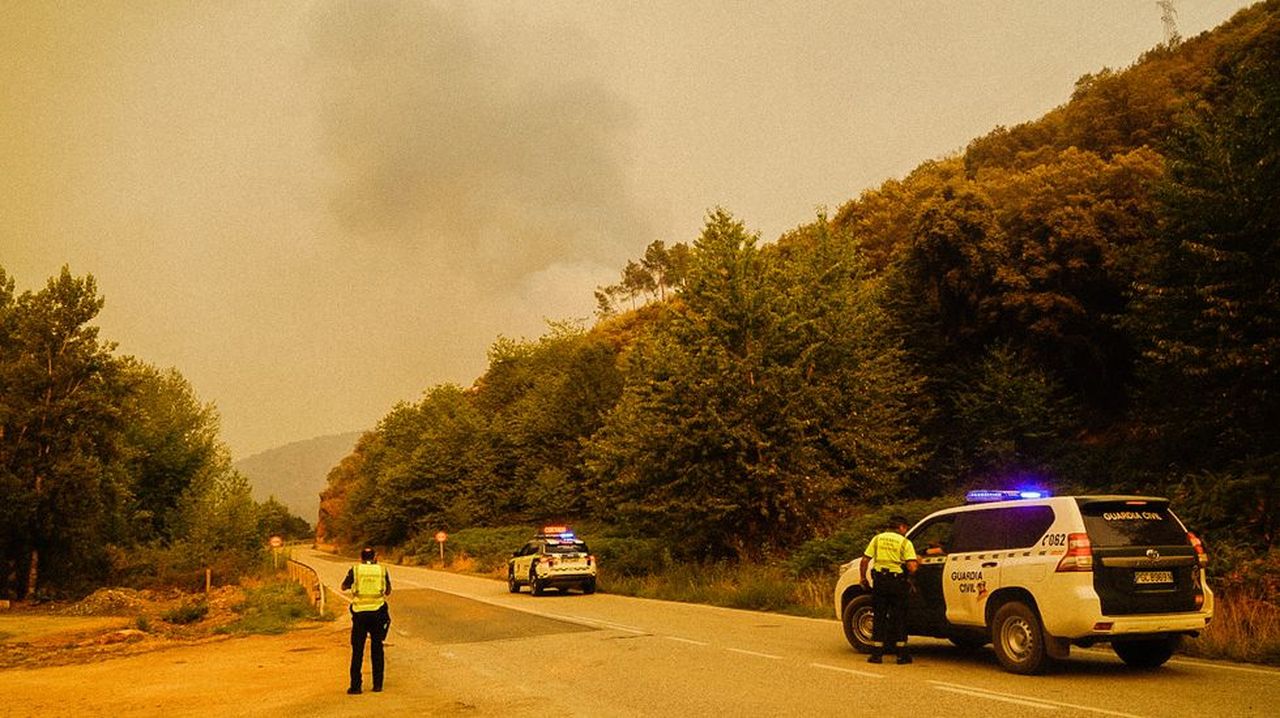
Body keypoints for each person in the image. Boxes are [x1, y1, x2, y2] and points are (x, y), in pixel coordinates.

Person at [859, 515, 918, 664]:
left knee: (879, 616)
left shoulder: (878, 539)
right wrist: (918, 563)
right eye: (906, 528)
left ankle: (877, 654)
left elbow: (865, 560)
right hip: (897, 583)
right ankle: (901, 655)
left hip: (880, 582)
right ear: (902, 527)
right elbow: (911, 567)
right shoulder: (905, 542)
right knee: (899, 617)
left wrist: (863, 578)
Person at [341, 546, 392, 694]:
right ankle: (377, 685)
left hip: (360, 614)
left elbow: (344, 586)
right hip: (377, 612)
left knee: (357, 650)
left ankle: (356, 686)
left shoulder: (355, 570)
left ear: (361, 557)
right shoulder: (382, 570)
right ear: (375, 557)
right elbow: (388, 591)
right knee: (377, 649)